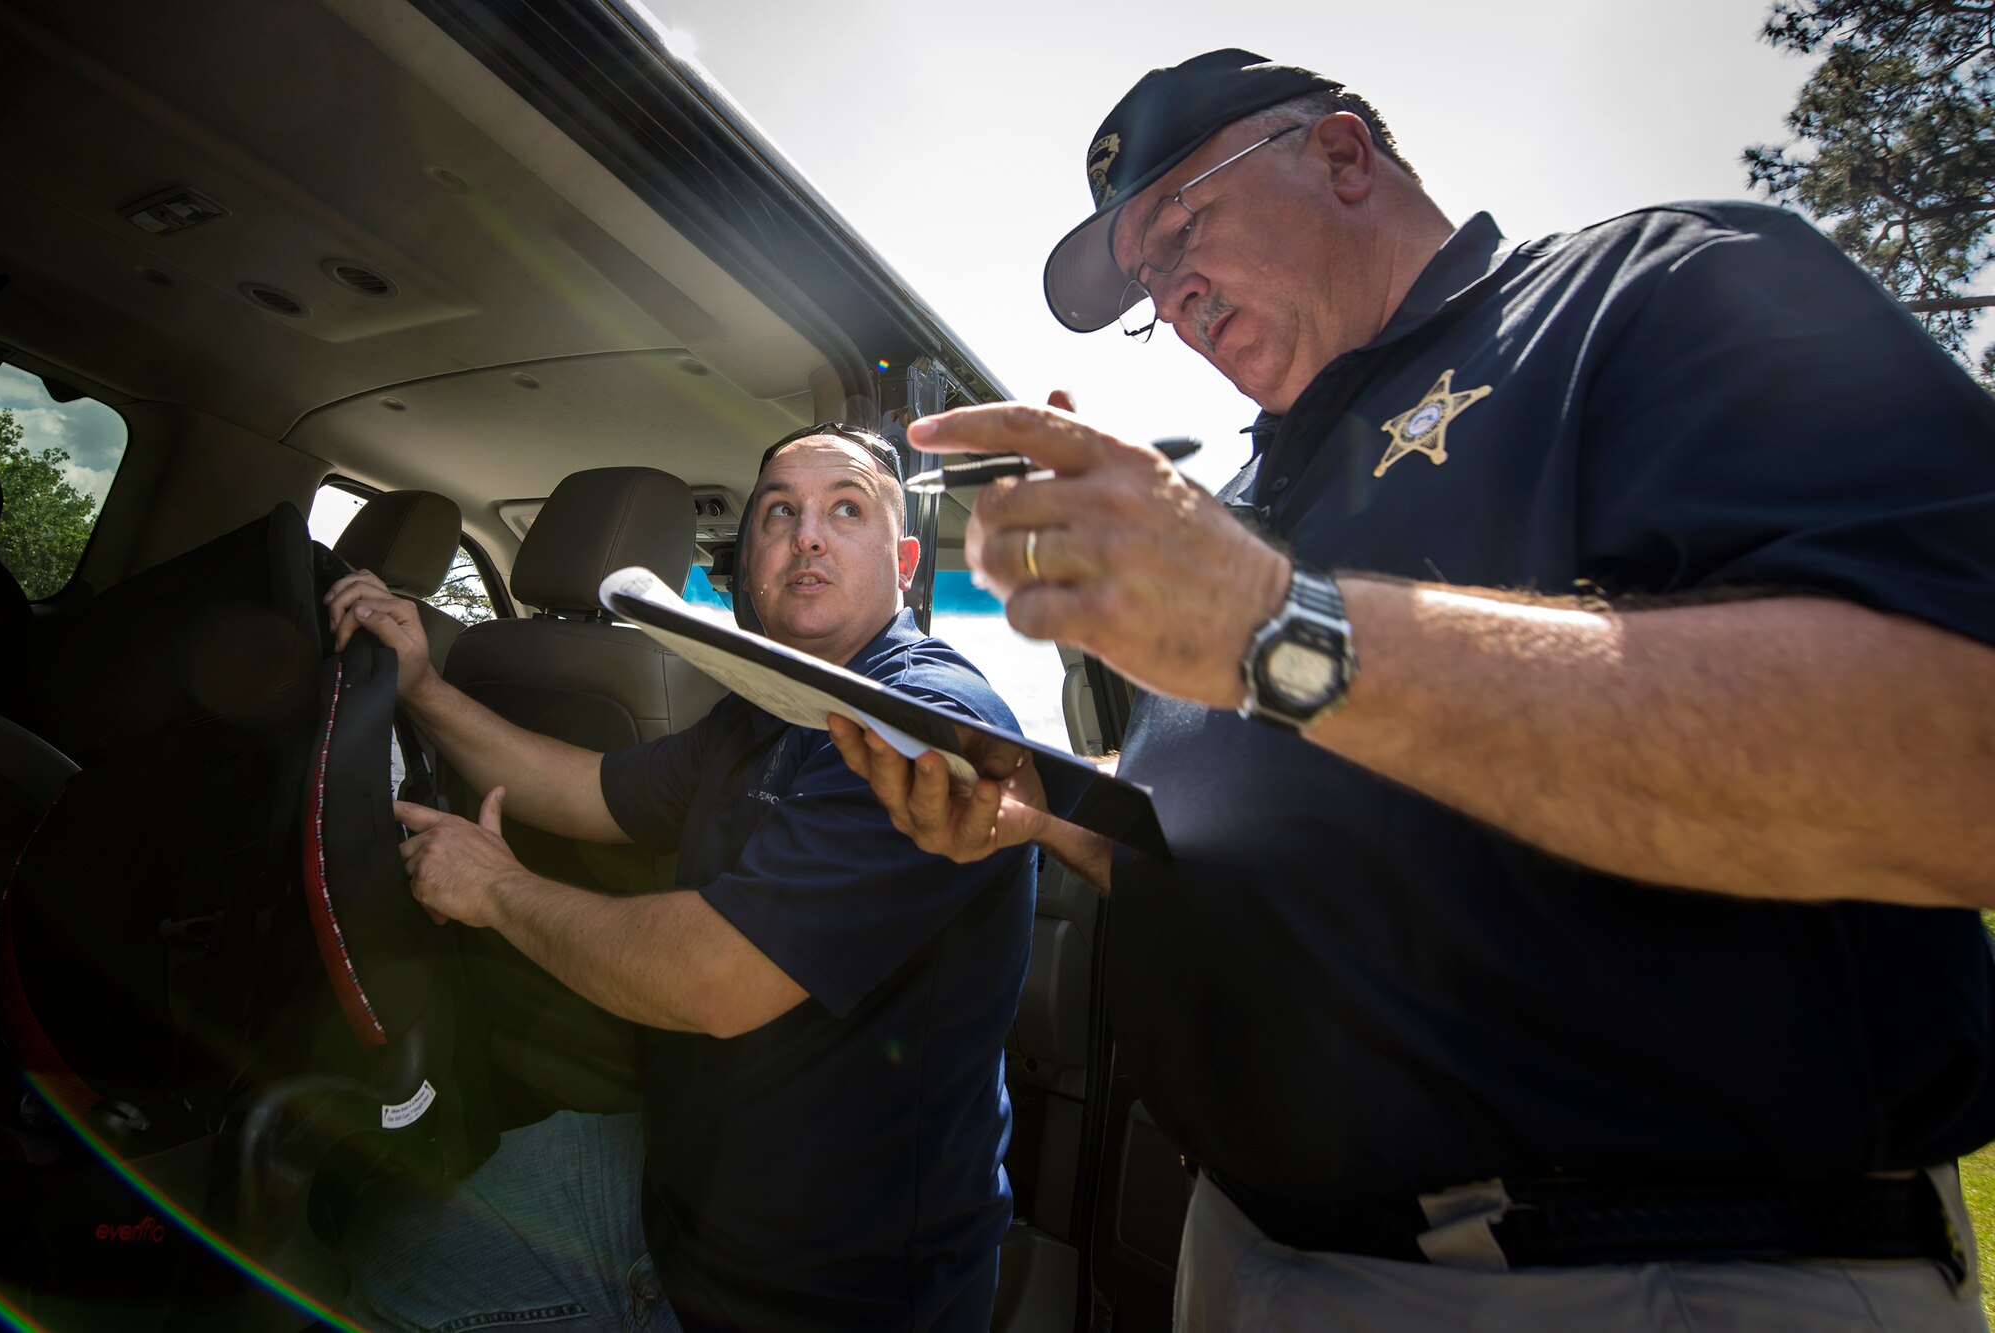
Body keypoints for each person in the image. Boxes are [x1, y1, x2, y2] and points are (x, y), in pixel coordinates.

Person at [827, 48, 1995, 1331]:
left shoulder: (1651, 294)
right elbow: (1272, 846)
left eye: (1181, 222)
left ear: (1341, 157)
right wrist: (1045, 820)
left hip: (1642, 1266)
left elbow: (1960, 767)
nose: (1173, 290)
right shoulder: (1231, 506)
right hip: (1239, 1253)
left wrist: (1279, 630)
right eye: (1148, 283)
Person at [324, 425, 1035, 1332]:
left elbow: (714, 978)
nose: (806, 534)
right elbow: (590, 789)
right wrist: (420, 686)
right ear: (751, 559)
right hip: (678, 1197)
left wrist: (495, 887)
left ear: (903, 562)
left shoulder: (926, 725)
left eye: (844, 510)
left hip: (824, 1293)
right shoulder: (763, 708)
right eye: (780, 512)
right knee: (385, 1271)